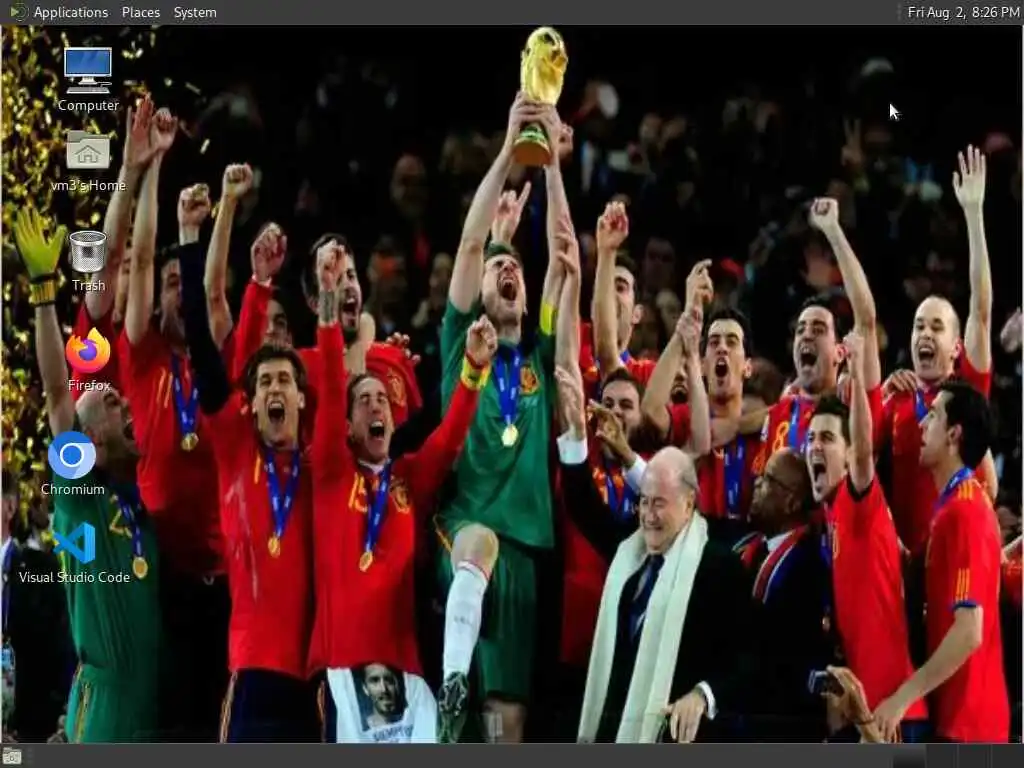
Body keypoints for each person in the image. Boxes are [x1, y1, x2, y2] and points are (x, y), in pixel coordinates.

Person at [308, 239, 496, 743]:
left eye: (382, 400)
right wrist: (328, 293)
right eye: (364, 401)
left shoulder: (408, 477)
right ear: (347, 427)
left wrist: (473, 369)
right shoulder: (330, 471)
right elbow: (331, 381)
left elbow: (449, 436)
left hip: (407, 672)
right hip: (344, 668)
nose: (376, 406)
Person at [434, 94, 576, 744]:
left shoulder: (539, 356)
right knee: (478, 549)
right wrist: (508, 150)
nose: (508, 270)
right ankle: (449, 683)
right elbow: (471, 244)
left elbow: (564, 255)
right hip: (467, 527)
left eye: (514, 265)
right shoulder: (461, 338)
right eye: (498, 268)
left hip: (524, 548)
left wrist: (552, 165)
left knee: (504, 718)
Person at [13, 207, 162, 742]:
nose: (126, 404)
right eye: (113, 403)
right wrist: (43, 293)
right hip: (107, 709)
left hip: (149, 705)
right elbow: (58, 394)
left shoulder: (134, 502)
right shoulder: (80, 499)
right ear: (88, 442)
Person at [182, 223, 322, 743]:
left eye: (284, 379)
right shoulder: (237, 453)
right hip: (251, 674)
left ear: (301, 398)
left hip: (312, 679)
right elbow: (201, 344)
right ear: (252, 403)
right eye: (264, 383)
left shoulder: (319, 469)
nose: (274, 389)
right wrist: (190, 237)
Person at [555, 376, 751, 744]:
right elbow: (583, 507)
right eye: (644, 502)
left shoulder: (718, 566)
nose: (648, 515)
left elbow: (747, 658)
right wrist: (578, 434)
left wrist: (703, 694)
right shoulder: (632, 551)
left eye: (659, 503)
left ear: (689, 503)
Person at [805, 329, 928, 742]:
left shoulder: (858, 499)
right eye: (810, 439)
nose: (814, 447)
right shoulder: (830, 517)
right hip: (867, 712)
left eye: (826, 438)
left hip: (893, 716)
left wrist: (858, 375)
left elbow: (862, 449)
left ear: (848, 456)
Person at [873, 381, 1009, 743]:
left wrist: (902, 697)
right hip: (957, 720)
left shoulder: (966, 512)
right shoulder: (951, 506)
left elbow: (969, 631)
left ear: (953, 434)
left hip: (970, 728)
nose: (921, 424)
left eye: (932, 416)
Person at [878, 146, 996, 556]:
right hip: (905, 562)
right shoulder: (894, 399)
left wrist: (973, 213)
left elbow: (980, 311)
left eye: (936, 327)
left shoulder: (966, 392)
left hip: (957, 549)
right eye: (918, 326)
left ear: (956, 347)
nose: (924, 334)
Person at [754, 196, 880, 471]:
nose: (807, 335)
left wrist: (833, 231)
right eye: (801, 330)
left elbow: (866, 320)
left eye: (819, 329)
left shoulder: (852, 400)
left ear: (840, 352)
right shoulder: (781, 411)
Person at [644, 291, 758, 542]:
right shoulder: (685, 418)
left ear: (748, 367)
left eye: (731, 342)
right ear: (704, 365)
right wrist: (682, 335)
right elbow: (651, 411)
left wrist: (736, 425)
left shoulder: (764, 430)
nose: (722, 348)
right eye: (714, 342)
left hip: (746, 549)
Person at [739, 448, 833, 741]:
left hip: (780, 724)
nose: (757, 483)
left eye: (768, 479)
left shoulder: (808, 565)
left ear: (792, 501)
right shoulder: (751, 547)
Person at [586, 201, 655, 394]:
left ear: (637, 314)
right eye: (605, 287)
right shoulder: (574, 357)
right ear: (592, 307)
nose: (610, 295)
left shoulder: (647, 375)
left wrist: (607, 252)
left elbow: (608, 357)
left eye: (620, 287)